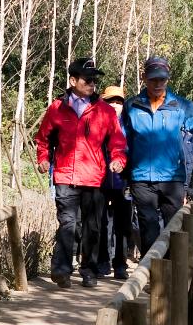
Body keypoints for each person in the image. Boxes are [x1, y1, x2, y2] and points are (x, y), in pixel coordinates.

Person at [36, 58, 128, 289]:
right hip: (65, 176)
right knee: (67, 223)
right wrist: (43, 159)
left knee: (92, 227)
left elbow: (117, 141)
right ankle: (61, 270)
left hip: (94, 178)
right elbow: (43, 138)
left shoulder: (105, 111)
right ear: (73, 80)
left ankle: (89, 270)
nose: (92, 84)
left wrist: (118, 159)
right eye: (87, 79)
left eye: (95, 80)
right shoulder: (57, 108)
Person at [121, 56, 193, 254]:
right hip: (141, 177)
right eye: (153, 79)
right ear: (144, 78)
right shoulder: (131, 106)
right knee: (147, 226)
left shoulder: (180, 106)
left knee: (172, 228)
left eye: (162, 80)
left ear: (168, 79)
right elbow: (121, 139)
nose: (158, 84)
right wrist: (120, 163)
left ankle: (170, 276)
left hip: (172, 178)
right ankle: (151, 276)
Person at [99, 85, 135, 279]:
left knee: (123, 224)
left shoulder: (130, 125)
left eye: (119, 101)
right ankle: (103, 261)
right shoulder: (97, 122)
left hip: (123, 181)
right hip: (100, 180)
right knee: (101, 222)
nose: (115, 105)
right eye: (110, 101)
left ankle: (120, 264)